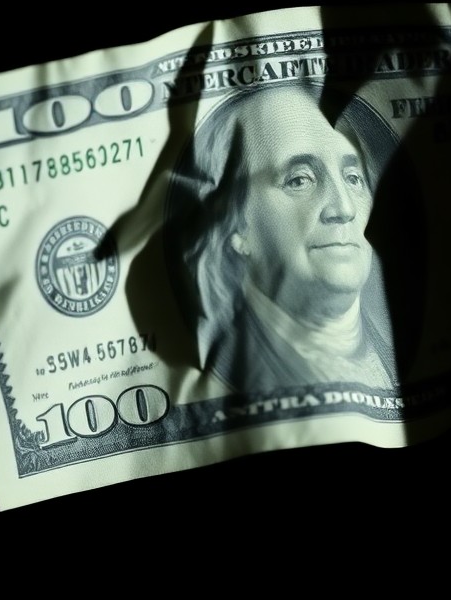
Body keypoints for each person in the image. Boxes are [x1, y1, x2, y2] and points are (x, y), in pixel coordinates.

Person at [170, 82, 399, 393]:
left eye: (353, 178)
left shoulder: (404, 346)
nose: (344, 208)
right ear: (238, 224)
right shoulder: (224, 371)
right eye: (300, 180)